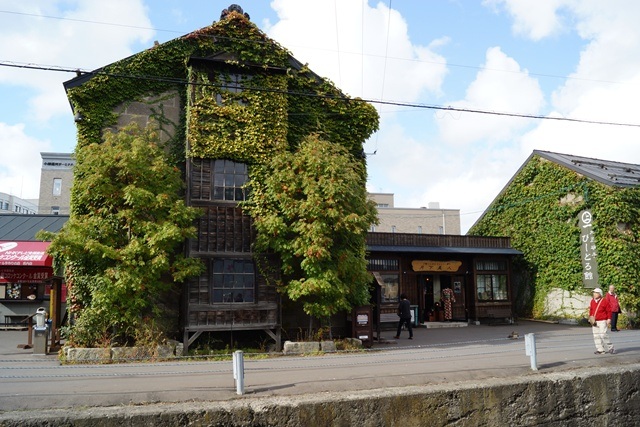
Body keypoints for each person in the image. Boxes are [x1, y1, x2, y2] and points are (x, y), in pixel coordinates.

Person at [589, 288, 615, 355]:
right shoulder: (592, 301)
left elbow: (609, 310)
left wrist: (609, 318)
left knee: (603, 334)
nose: (594, 294)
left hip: (603, 320)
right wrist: (591, 318)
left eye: (596, 293)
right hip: (595, 321)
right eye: (594, 292)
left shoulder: (604, 301)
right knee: (596, 336)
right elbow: (591, 310)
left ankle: (610, 347)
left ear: (600, 294)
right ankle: (600, 350)